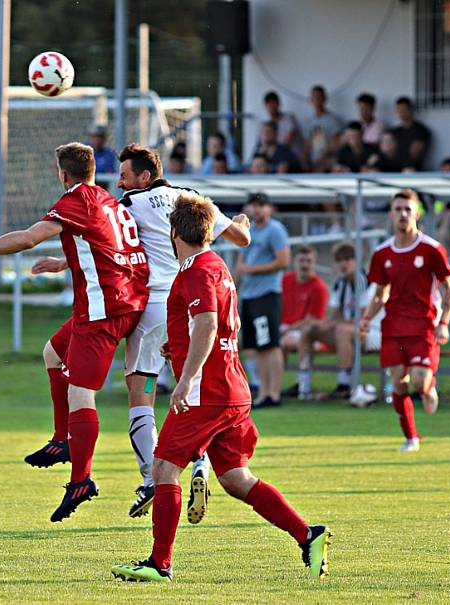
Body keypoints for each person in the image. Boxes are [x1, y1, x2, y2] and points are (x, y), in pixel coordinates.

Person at [110, 193, 332, 583]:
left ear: (173, 231)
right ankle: (308, 534)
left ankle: (159, 563)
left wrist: (187, 377)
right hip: (231, 389)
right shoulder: (217, 266)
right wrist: (177, 345)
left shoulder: (195, 270)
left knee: (163, 468)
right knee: (235, 478)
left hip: (207, 393)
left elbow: (210, 324)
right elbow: (224, 326)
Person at [29, 143, 251, 520]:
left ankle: (152, 475)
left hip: (152, 309)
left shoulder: (126, 206)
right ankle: (200, 465)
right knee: (192, 394)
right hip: (195, 306)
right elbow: (241, 240)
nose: (119, 183)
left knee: (141, 392)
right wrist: (242, 222)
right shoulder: (193, 199)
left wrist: (61, 262)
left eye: (125, 176)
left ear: (144, 176)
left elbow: (105, 244)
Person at [0, 142, 150, 523]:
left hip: (104, 310)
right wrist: (63, 262)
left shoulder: (76, 201)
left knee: (81, 393)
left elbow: (27, 238)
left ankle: (82, 480)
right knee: (52, 354)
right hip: (123, 299)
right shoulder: (105, 199)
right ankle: (63, 440)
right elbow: (107, 246)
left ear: (62, 173)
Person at [362, 189, 450, 452]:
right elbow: (381, 292)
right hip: (393, 326)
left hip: (424, 325)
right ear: (391, 214)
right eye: (398, 209)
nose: (403, 214)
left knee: (418, 381)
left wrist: (444, 322)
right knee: (398, 382)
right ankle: (411, 437)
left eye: (408, 209)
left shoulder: (431, 249)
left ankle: (429, 387)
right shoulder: (382, 253)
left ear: (417, 213)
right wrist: (367, 318)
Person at [291, 242, 382, 400]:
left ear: (356, 261)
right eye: (339, 260)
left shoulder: (365, 281)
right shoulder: (341, 282)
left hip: (372, 332)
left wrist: (333, 324)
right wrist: (320, 325)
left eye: (347, 259)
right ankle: (302, 386)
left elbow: (362, 317)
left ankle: (344, 385)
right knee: (309, 331)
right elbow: (334, 316)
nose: (343, 264)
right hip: (348, 331)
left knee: (341, 330)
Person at [236, 193, 290, 408]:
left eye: (261, 206)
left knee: (270, 345)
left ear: (269, 208)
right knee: (257, 347)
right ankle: (263, 393)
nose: (256, 210)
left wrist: (252, 270)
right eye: (253, 205)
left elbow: (283, 261)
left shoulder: (275, 230)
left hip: (266, 295)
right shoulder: (248, 231)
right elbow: (241, 266)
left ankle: (273, 394)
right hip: (249, 295)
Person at [278, 245, 329, 355]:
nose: (305, 265)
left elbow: (313, 321)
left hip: (307, 332)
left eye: (309, 261)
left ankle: (303, 371)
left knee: (285, 341)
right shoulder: (285, 280)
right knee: (262, 341)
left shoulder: (319, 287)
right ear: (294, 261)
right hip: (284, 328)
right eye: (301, 260)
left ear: (314, 263)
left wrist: (287, 330)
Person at [304, 85, 343, 172]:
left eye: (319, 97)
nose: (317, 100)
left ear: (325, 99)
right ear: (311, 100)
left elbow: (336, 145)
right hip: (313, 163)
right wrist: (305, 162)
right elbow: (306, 145)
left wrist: (323, 157)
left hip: (329, 162)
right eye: (315, 97)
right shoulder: (308, 122)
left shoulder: (333, 120)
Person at [391, 97, 431, 170]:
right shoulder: (395, 131)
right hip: (393, 170)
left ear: (410, 110)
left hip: (412, 171)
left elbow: (413, 155)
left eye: (403, 110)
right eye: (398, 110)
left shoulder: (420, 130)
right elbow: (388, 152)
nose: (401, 113)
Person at [263, 90, 303, 159]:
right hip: (276, 158)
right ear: (265, 106)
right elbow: (264, 144)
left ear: (278, 104)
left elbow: (286, 144)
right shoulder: (267, 125)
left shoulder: (289, 118)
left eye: (273, 103)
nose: (271, 106)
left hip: (293, 158)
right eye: (269, 104)